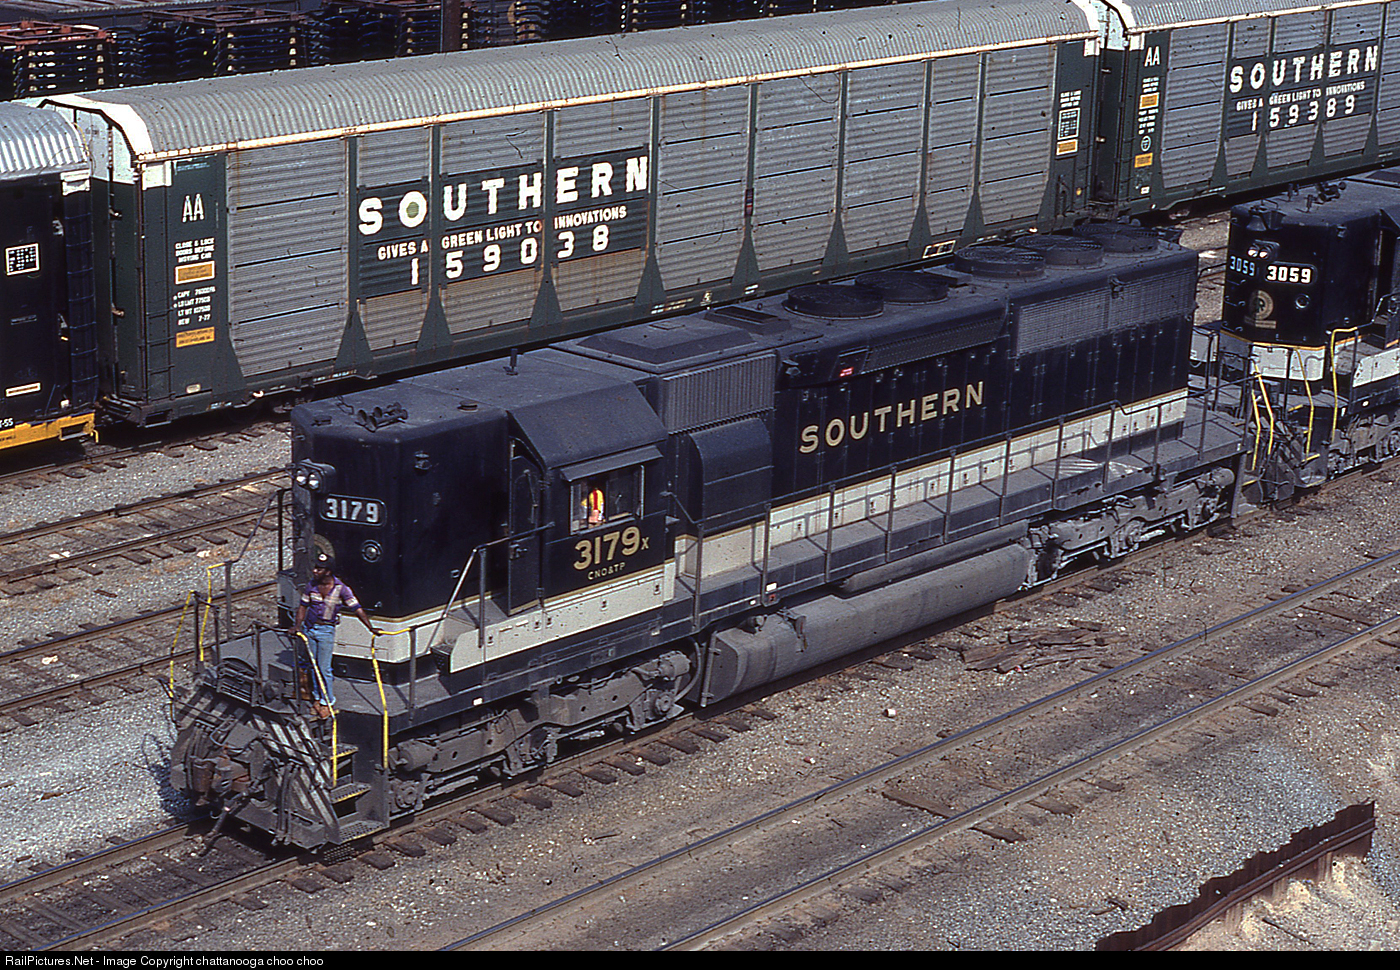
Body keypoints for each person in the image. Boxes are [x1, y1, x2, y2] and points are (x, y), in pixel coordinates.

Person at [294, 552, 380, 718]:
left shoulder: (342, 589)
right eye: (315, 567)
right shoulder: (311, 586)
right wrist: (297, 626)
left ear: (328, 572)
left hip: (326, 631)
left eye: (319, 569)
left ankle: (328, 701)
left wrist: (371, 628)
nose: (315, 571)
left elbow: (357, 608)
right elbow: (303, 606)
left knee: (324, 668)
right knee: (314, 665)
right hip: (310, 629)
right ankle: (318, 698)